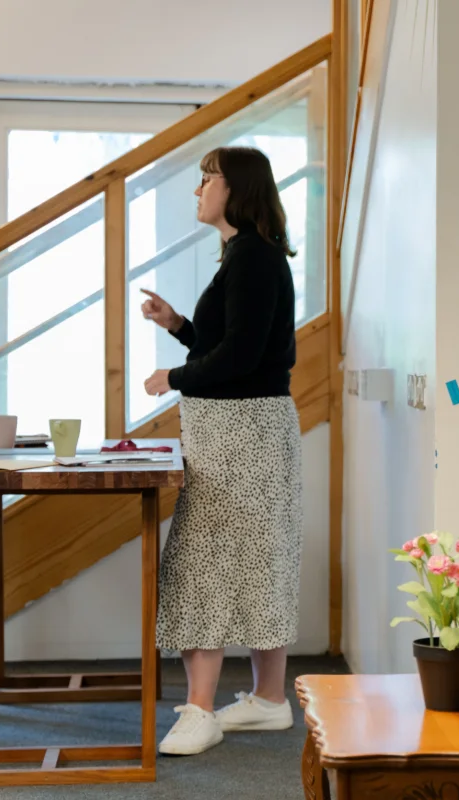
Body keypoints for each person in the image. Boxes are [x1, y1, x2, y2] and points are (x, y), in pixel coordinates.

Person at [140, 146, 302, 756]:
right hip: (245, 430)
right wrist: (179, 325)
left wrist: (172, 378)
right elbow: (234, 342)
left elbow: (239, 359)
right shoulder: (246, 257)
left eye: (207, 179)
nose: (199, 190)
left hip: (242, 434)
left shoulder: (253, 259)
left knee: (202, 564)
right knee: (258, 561)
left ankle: (202, 712)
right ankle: (267, 700)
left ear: (236, 189)